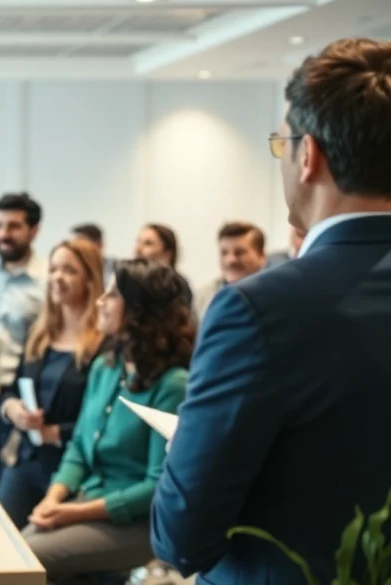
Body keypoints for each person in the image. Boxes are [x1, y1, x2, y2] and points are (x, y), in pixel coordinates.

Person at [152, 38, 391, 584]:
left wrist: (189, 445)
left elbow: (181, 540)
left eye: (281, 144)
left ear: (308, 157)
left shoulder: (257, 309)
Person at [23, 259, 193, 584]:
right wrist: (53, 498)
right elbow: (78, 447)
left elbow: (157, 486)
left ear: (139, 310)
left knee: (25, 561)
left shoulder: (173, 384)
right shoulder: (105, 367)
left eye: (112, 295)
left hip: (137, 522)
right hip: (88, 500)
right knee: (12, 553)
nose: (100, 301)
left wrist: (72, 512)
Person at [0, 239, 107, 529]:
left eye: (69, 270)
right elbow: (10, 391)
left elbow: (104, 417)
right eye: (54, 269)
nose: (57, 277)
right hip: (26, 460)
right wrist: (12, 410)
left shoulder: (104, 344)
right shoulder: (39, 334)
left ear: (90, 280)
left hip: (73, 468)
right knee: (1, 536)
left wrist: (56, 433)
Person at [0, 192, 47, 496]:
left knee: (10, 489)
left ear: (34, 230)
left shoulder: (47, 280)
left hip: (19, 397)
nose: (4, 234)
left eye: (14, 226)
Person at [193, 221, 266, 320]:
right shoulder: (203, 296)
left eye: (240, 252)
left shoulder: (273, 296)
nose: (230, 260)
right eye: (224, 253)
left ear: (261, 256)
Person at [133, 223, 193, 308]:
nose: (137, 249)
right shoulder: (130, 283)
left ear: (167, 254)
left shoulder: (177, 287)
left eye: (148, 243)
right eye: (138, 242)